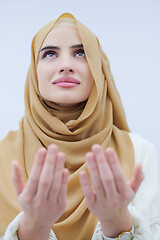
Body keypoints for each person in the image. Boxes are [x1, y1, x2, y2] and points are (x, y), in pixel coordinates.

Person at [0, 12, 159, 240]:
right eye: (50, 53)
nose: (66, 66)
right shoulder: (3, 157)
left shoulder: (140, 153)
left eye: (81, 52)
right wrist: (34, 228)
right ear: (33, 72)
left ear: (98, 69)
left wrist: (117, 225)